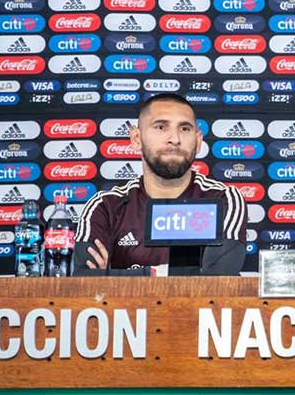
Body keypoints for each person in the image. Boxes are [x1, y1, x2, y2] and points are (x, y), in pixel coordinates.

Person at [73, 93, 247, 276]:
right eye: (161, 127)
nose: (175, 138)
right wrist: (181, 273)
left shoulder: (222, 198)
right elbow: (83, 280)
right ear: (136, 139)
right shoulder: (105, 205)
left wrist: (114, 276)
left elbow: (218, 280)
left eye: (185, 129)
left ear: (198, 141)